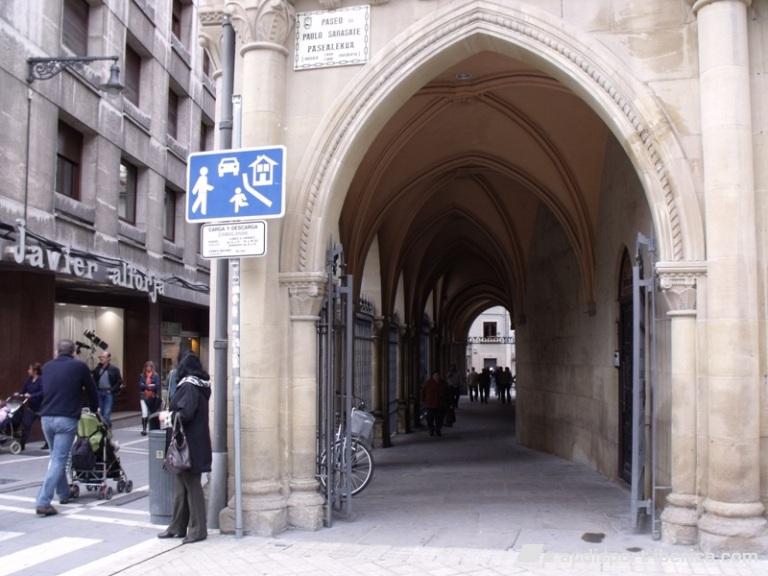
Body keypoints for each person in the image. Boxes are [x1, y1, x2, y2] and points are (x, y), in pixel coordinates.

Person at [35, 339, 98, 517]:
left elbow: (43, 390)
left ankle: (64, 493)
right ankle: (43, 501)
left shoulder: (47, 367)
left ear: (57, 351)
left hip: (46, 417)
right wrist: (94, 408)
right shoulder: (79, 367)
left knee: (56, 457)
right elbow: (92, 390)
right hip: (66, 418)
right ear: (73, 352)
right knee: (59, 459)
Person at [157, 353, 211, 544]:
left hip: (188, 445)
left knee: (192, 487)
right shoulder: (199, 385)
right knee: (182, 487)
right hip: (193, 443)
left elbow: (185, 414)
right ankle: (177, 527)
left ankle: (197, 530)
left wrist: (166, 416)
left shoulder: (188, 386)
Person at [91, 351, 123, 428]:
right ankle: (106, 428)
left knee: (106, 413)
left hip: (109, 393)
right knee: (100, 413)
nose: (101, 359)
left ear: (108, 358)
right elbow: (94, 380)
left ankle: (106, 428)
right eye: (100, 357)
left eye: (103, 357)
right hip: (99, 392)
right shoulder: (98, 368)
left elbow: (119, 381)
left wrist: (111, 390)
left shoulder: (114, 369)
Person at [19, 362, 44, 450]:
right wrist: (19, 393)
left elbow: (42, 392)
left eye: (30, 369)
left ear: (35, 371)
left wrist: (31, 395)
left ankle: (48, 443)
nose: (28, 371)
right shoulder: (29, 380)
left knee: (44, 426)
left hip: (41, 408)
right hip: (31, 408)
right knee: (26, 424)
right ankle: (21, 444)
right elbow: (23, 389)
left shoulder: (41, 380)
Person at [420, 370, 448, 437]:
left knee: (440, 419)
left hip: (440, 404)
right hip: (430, 404)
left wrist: (447, 402)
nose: (436, 377)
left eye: (438, 375)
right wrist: (423, 401)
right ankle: (431, 430)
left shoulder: (443, 383)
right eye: (435, 375)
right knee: (429, 418)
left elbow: (447, 393)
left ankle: (438, 430)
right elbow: (423, 392)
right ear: (432, 376)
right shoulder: (428, 383)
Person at [139, 361, 161, 436]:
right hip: (144, 396)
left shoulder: (156, 375)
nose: (148, 368)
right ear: (145, 367)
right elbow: (140, 386)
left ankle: (153, 428)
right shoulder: (142, 375)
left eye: (150, 367)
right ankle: (144, 429)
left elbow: (157, 386)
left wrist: (146, 386)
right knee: (144, 412)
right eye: (147, 367)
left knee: (152, 413)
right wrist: (149, 386)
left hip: (152, 397)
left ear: (152, 367)